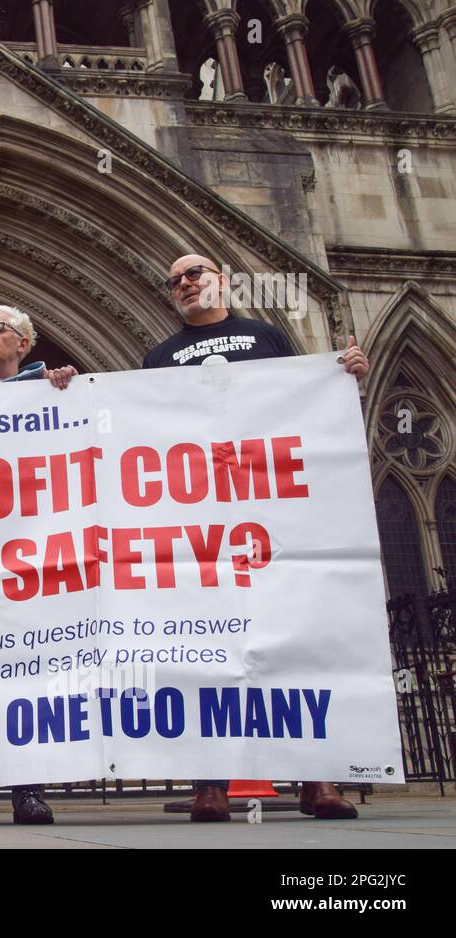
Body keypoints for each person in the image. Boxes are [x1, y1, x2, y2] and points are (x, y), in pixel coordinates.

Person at [146, 253, 368, 823]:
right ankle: (210, 785)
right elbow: (142, 425)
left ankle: (318, 780)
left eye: (194, 274)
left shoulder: (266, 337)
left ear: (222, 279)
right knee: (203, 648)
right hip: (200, 518)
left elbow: (305, 403)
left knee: (296, 636)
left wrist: (343, 377)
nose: (185, 284)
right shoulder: (160, 357)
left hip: (271, 510)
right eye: (175, 281)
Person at [0, 303, 77, 824]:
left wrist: (66, 387)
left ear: (24, 342)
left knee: (26, 676)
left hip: (27, 559)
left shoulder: (52, 389)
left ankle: (27, 789)